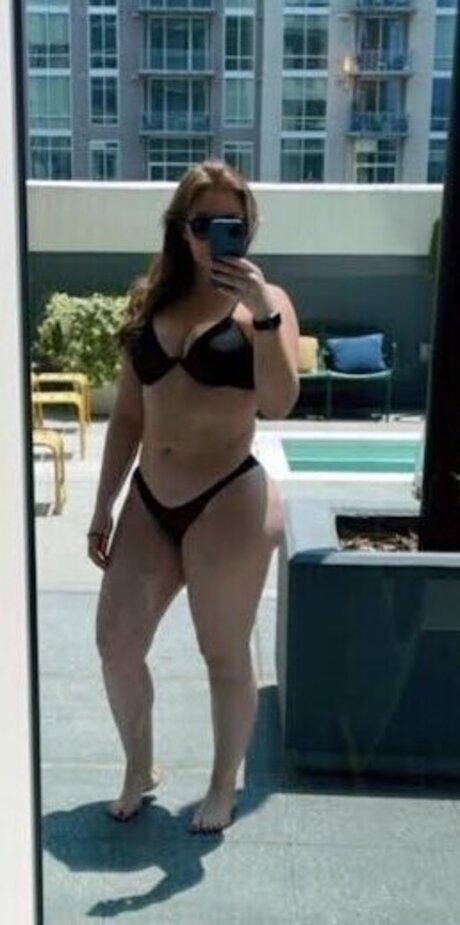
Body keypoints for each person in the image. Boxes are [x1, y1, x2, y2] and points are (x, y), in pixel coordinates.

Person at [87, 159, 300, 834]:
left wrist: (262, 315)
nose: (213, 236)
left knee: (223, 653)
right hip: (150, 499)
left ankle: (221, 784)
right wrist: (102, 504)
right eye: (201, 223)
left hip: (227, 498)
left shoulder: (266, 303)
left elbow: (279, 402)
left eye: (230, 223)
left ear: (248, 227)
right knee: (116, 643)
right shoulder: (150, 300)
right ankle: (139, 765)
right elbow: (128, 415)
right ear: (180, 228)